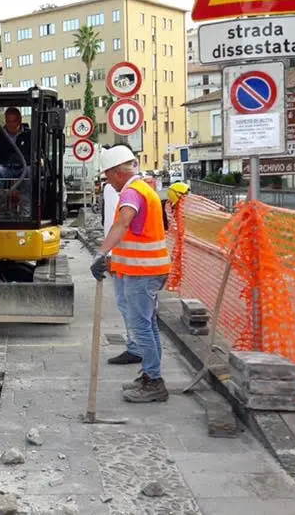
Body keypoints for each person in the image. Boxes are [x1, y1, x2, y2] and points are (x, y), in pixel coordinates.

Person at [90, 144, 172, 403]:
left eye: (107, 176)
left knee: (141, 327)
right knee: (148, 325)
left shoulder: (131, 194)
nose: (108, 182)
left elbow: (123, 223)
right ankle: (150, 375)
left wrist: (102, 254)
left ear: (116, 172)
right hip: (150, 269)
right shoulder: (145, 189)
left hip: (142, 272)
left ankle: (154, 381)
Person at [0, 107, 32, 216]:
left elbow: (38, 150)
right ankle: (1, 207)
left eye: (14, 121)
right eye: (8, 121)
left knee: (31, 171)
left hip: (24, 167)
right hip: (6, 168)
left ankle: (26, 210)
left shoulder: (29, 135)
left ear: (20, 120)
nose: (11, 124)